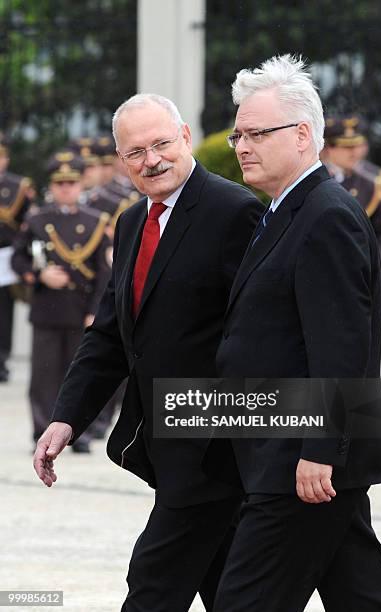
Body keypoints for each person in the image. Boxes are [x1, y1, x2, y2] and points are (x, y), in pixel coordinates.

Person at [32, 93, 263, 611]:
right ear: (120, 160)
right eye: (135, 152)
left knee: (153, 584)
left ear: (185, 138)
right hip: (162, 439)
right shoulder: (132, 221)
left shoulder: (236, 211)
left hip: (214, 446)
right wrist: (67, 418)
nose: (151, 159)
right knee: (231, 591)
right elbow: (112, 334)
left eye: (161, 143)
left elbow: (256, 333)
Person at [203, 55, 381, 612]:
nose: (241, 145)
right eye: (237, 133)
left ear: (301, 135)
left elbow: (341, 347)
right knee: (363, 595)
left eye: (255, 133)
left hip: (301, 457)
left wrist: (320, 451)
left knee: (243, 601)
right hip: (286, 446)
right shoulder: (288, 210)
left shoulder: (326, 216)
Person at [12, 150, 111, 453]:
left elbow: (104, 274)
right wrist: (38, 276)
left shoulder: (96, 222)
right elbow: (17, 258)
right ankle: (41, 432)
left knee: (80, 377)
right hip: (46, 310)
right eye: (60, 183)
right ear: (52, 187)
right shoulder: (37, 220)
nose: (66, 188)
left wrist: (95, 310)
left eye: (71, 183)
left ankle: (79, 435)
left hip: (80, 312)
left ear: (80, 185)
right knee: (43, 377)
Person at [322, 115, 381, 265]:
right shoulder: (316, 178)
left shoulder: (371, 183)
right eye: (346, 147)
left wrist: (370, 265)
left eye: (356, 146)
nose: (354, 152)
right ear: (329, 148)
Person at [0, 133, 33, 382]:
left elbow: (25, 223)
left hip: (6, 255)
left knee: (4, 311)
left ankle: (2, 360)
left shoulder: (18, 186)